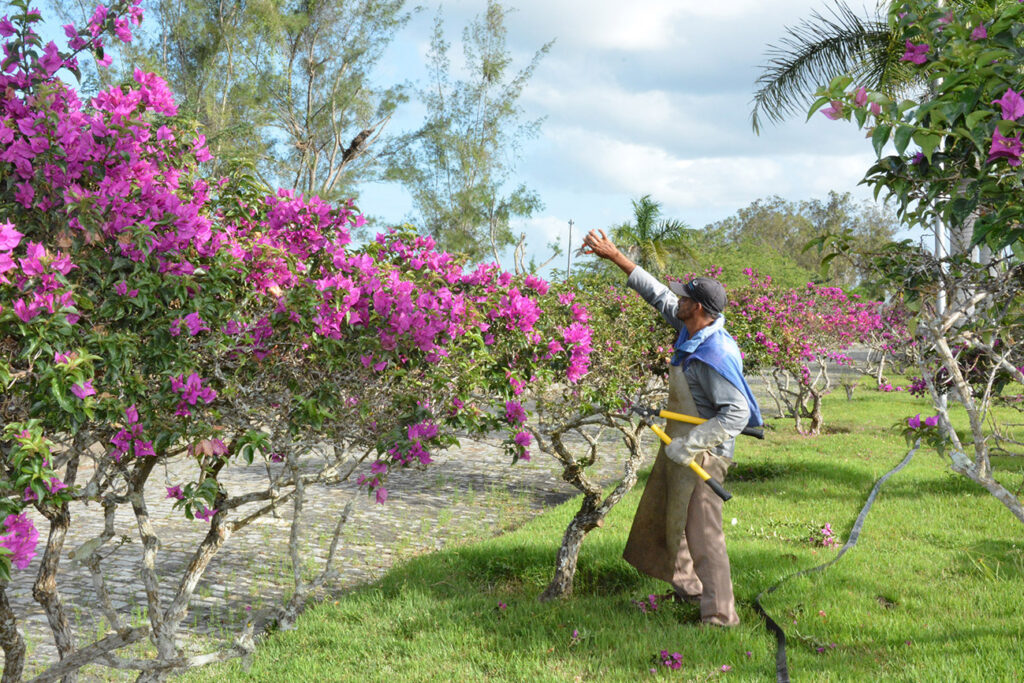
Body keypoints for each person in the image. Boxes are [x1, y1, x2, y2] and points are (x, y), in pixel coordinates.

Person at [580, 228, 762, 627]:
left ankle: (720, 616)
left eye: (683, 297)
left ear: (697, 307)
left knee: (703, 534)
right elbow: (657, 294)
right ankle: (690, 591)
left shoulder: (715, 352)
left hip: (705, 454)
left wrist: (691, 444)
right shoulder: (691, 329)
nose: (675, 299)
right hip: (681, 443)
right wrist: (616, 258)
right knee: (671, 520)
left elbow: (737, 415)